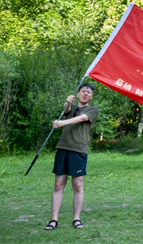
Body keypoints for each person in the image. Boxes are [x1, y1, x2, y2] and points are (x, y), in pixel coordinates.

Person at [46, 83, 99, 231]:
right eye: (83, 91)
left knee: (77, 185)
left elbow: (81, 118)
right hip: (63, 148)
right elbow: (66, 109)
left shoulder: (92, 110)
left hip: (79, 150)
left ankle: (76, 219)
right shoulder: (71, 107)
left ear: (91, 96)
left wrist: (62, 123)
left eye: (89, 92)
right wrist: (68, 102)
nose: (86, 94)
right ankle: (53, 220)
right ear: (78, 94)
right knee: (58, 184)